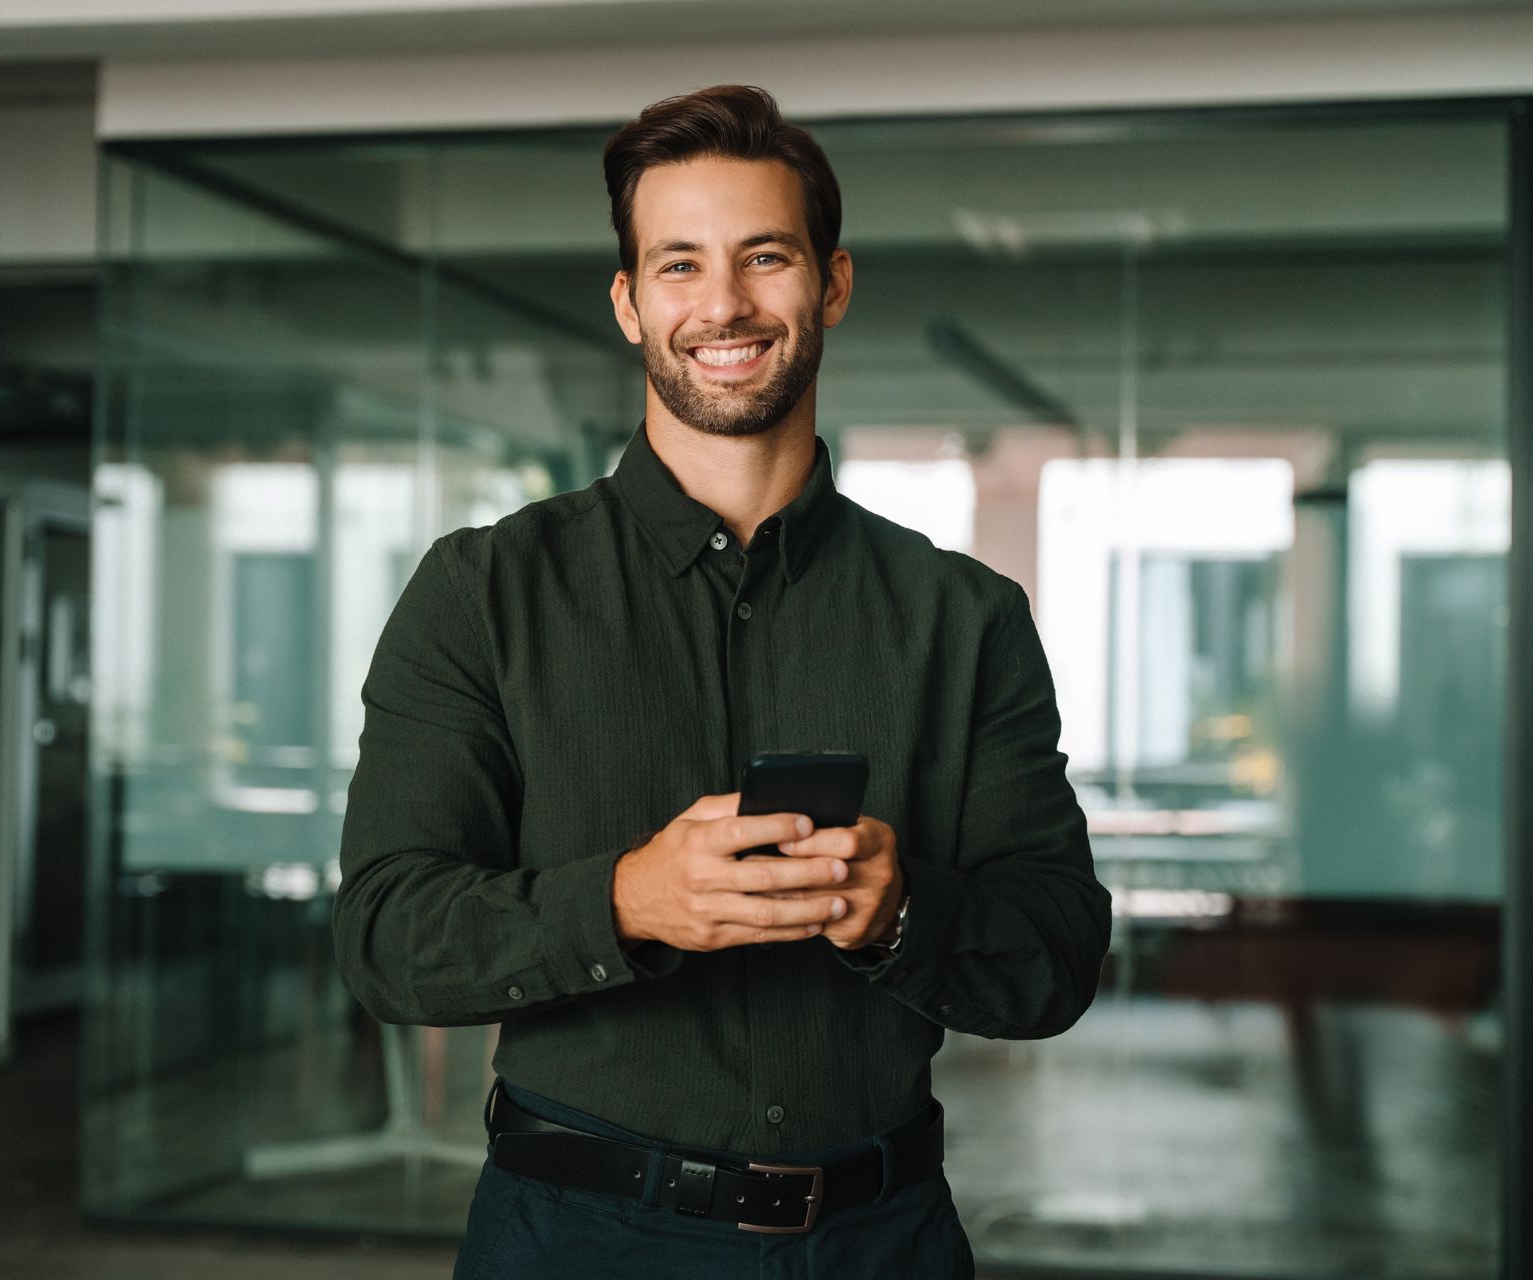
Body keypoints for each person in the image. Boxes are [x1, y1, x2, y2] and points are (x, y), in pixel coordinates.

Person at [333, 83, 1111, 1279]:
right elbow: (386, 937)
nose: (725, 305)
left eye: (765, 257)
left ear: (833, 284)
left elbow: (1058, 956)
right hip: (574, 1240)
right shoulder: (481, 592)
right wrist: (627, 900)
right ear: (630, 304)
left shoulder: (966, 618)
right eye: (680, 265)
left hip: (885, 1241)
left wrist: (901, 912)